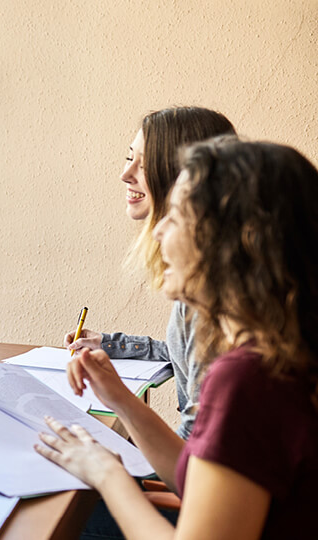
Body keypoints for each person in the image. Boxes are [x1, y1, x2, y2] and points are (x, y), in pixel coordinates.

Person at [39, 138, 318, 538]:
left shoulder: (249, 379)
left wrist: (106, 472)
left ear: (237, 242)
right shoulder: (283, 356)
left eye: (177, 216)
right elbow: (199, 478)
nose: (158, 233)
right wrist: (119, 397)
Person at [64, 107, 235, 438]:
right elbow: (187, 356)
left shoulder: (209, 293)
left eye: (143, 165)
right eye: (128, 158)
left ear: (184, 176)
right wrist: (112, 344)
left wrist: (108, 465)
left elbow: (197, 459)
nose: (125, 174)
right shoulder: (206, 275)